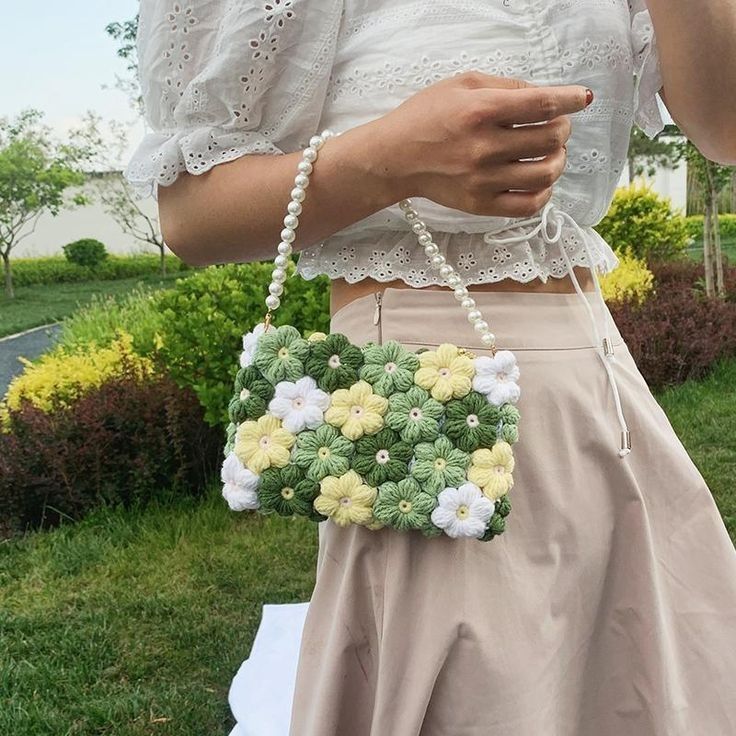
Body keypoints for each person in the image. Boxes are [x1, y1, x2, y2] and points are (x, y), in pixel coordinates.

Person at [125, 1, 736, 734]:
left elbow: (724, 127)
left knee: (647, 685)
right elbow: (189, 218)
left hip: (598, 390)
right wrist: (387, 159)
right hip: (420, 406)